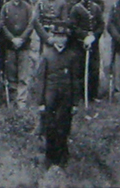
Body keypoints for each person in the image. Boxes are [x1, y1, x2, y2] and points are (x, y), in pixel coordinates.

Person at [35, 21, 77, 171]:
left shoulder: (71, 56)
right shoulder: (47, 55)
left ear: (67, 38)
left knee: (64, 128)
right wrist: (41, 101)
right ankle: (50, 159)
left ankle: (63, 160)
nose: (60, 39)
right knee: (50, 127)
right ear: (53, 37)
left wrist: (74, 103)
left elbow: (75, 80)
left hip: (66, 98)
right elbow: (40, 80)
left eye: (63, 36)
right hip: (50, 98)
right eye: (57, 36)